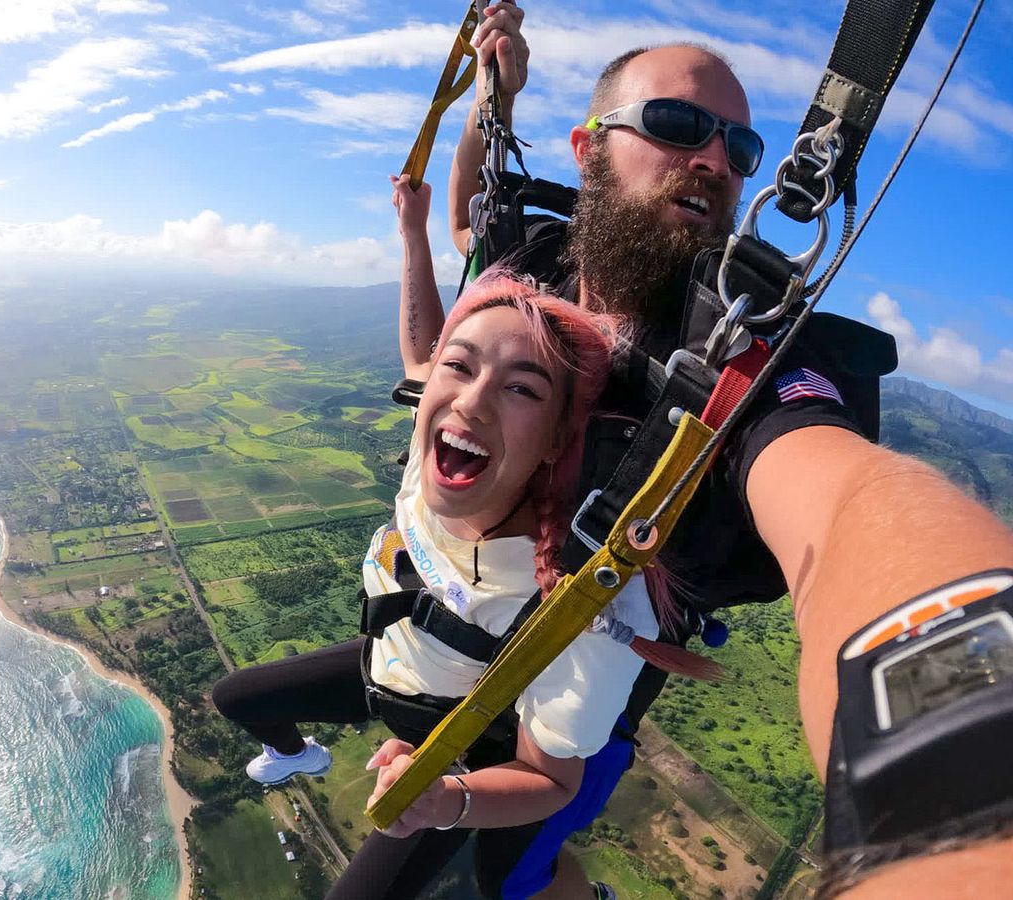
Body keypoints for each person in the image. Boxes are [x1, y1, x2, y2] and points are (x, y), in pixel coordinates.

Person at [434, 4, 1013, 898]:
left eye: (741, 151)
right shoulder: (541, 262)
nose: (715, 159)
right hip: (470, 621)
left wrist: (962, 787)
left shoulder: (745, 355)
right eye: (676, 125)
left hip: (579, 700)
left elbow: (845, 500)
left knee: (510, 881)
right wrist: (490, 103)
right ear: (589, 148)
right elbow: (474, 222)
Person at [211, 191, 715, 899]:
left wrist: (451, 798)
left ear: (554, 445)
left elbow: (547, 778)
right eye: (462, 367)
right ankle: (298, 755)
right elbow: (422, 346)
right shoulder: (440, 436)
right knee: (234, 696)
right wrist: (417, 222)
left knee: (509, 883)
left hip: (478, 742)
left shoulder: (583, 598)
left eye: (522, 389)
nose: (471, 402)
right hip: (397, 670)